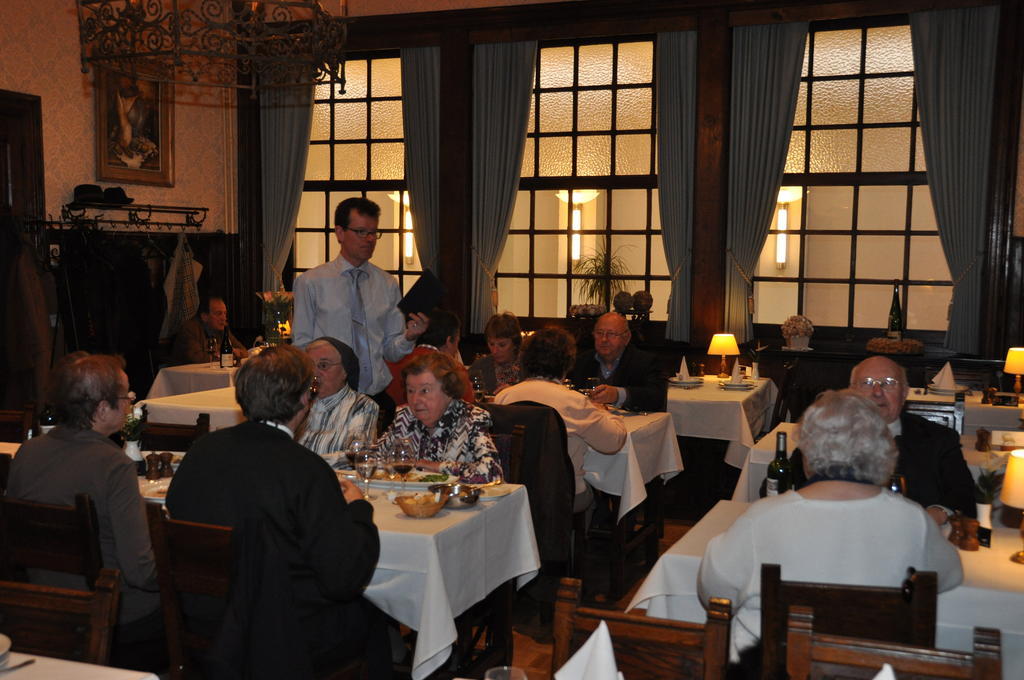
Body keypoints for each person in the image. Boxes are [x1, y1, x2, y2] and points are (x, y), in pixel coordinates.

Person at [166, 344, 390, 677]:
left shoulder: (200, 452)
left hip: (204, 619)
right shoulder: (306, 470)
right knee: (373, 615)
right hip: (283, 636)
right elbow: (343, 578)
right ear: (304, 400)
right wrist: (358, 511)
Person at [698, 389, 962, 665]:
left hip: (773, 667)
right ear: (884, 452)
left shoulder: (762, 518)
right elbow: (949, 576)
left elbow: (714, 593)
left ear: (808, 453)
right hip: (871, 669)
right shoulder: (913, 520)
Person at [7, 353, 163, 670]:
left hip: (42, 605)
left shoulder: (28, 452)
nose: (131, 400)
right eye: (126, 395)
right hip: (110, 616)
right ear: (102, 408)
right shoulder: (113, 465)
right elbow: (140, 572)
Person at [785, 356, 976, 523]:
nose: (877, 392)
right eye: (867, 383)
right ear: (851, 391)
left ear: (904, 393)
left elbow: (964, 496)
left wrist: (937, 515)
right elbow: (784, 484)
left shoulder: (938, 439)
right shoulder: (827, 433)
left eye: (889, 382)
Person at [292, 197, 429, 427]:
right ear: (340, 232)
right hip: (328, 400)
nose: (369, 239)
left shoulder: (387, 284)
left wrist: (409, 336)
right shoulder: (311, 282)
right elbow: (301, 345)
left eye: (374, 233)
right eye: (361, 232)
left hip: (376, 399)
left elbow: (391, 351)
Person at [495, 327, 626, 512]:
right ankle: (576, 538)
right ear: (567, 364)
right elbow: (614, 442)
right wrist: (604, 412)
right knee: (596, 494)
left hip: (515, 491)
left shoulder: (504, 397)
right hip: (560, 494)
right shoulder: (575, 402)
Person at [377, 352, 501, 484]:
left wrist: (435, 466)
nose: (415, 400)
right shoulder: (405, 417)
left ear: (448, 390)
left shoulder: (471, 418)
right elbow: (371, 459)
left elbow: (492, 473)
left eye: (424, 390)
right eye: (410, 391)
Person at [297, 337, 380, 462]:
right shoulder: (297, 402)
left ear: (345, 371)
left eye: (323, 365)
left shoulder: (362, 406)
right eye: (309, 366)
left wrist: (307, 463)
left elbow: (358, 455)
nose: (314, 373)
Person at [569, 312, 667, 412]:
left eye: (611, 334)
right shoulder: (581, 361)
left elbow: (656, 397)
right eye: (599, 333)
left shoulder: (645, 362)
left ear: (626, 337)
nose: (604, 339)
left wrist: (617, 395)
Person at [385, 308, 474, 407]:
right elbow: (468, 407)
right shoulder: (451, 369)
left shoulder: (393, 360)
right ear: (449, 341)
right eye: (458, 340)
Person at [171, 295, 248, 365]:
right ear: (204, 316)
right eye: (219, 314)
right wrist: (229, 352)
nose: (223, 318)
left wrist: (227, 353)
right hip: (185, 376)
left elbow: (244, 352)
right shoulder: (189, 328)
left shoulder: (223, 328)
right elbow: (199, 359)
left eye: (225, 313)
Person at [468, 312, 523, 394]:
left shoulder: (529, 366)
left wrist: (515, 392)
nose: (495, 351)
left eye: (502, 345)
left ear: (515, 343)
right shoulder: (479, 367)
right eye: (491, 344)